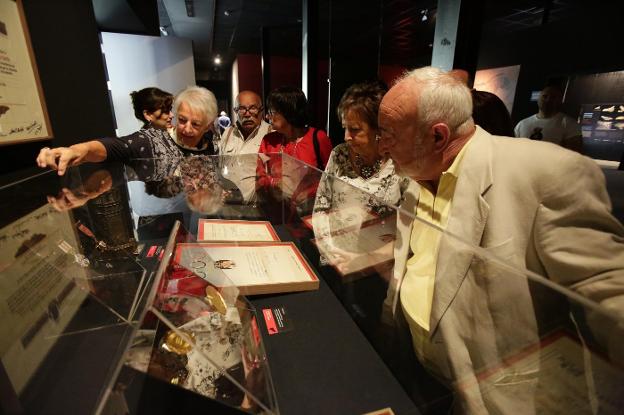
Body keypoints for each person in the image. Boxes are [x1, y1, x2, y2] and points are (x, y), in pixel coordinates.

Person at [377, 66, 624, 413]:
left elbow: (608, 286)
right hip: (418, 370)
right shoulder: (416, 169)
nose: (381, 145)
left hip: (491, 392)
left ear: (437, 136)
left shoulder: (546, 172)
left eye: (388, 134)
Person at [36, 86, 218, 175]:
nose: (186, 128)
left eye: (195, 124)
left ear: (208, 125)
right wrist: (79, 150)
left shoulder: (211, 147)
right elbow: (115, 147)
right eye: (182, 120)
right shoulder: (152, 140)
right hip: (159, 222)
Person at [514, 84, 582, 152]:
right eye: (545, 96)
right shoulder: (522, 124)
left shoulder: (570, 125)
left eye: (553, 97)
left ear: (559, 101)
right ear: (538, 99)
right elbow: (514, 149)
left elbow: (573, 154)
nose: (548, 100)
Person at [218, 90, 271, 155]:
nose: (247, 114)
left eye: (253, 108)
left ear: (261, 110)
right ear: (235, 111)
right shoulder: (227, 133)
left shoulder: (271, 134)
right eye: (241, 109)